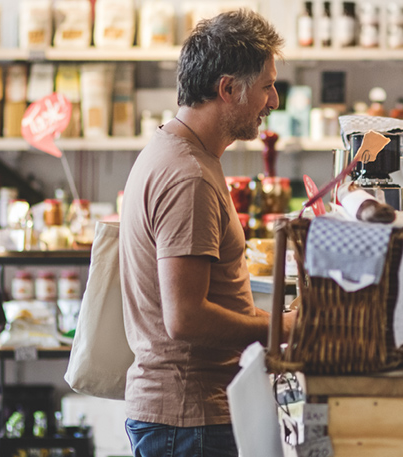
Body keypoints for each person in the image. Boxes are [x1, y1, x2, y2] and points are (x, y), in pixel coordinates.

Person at [118, 10, 294, 457]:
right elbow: (186, 318)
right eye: (266, 86)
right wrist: (283, 327)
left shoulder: (177, 151)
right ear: (228, 88)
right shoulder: (188, 177)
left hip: (186, 416)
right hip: (189, 420)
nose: (273, 101)